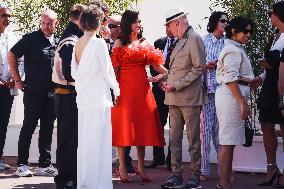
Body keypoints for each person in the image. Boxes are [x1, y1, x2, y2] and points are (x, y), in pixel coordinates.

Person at [152, 7, 207, 189]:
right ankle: (176, 175)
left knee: (192, 140)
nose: (168, 30)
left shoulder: (194, 38)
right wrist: (164, 78)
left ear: (177, 23)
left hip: (189, 98)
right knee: (174, 139)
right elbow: (177, 70)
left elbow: (198, 69)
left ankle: (195, 176)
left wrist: (176, 84)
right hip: (173, 97)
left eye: (169, 26)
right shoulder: (180, 40)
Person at [111, 9, 166, 183]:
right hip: (124, 90)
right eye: (137, 21)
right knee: (124, 128)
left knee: (142, 128)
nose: (140, 24)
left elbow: (158, 66)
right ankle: (122, 168)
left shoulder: (146, 42)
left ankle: (141, 167)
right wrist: (113, 91)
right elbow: (114, 70)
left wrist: (167, 74)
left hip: (143, 90)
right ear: (129, 24)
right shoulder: (119, 42)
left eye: (140, 21)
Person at [71, 5, 120, 189]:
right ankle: (97, 184)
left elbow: (74, 73)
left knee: (85, 143)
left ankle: (86, 182)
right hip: (98, 99)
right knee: (99, 142)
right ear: (98, 21)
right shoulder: (98, 43)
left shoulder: (78, 42)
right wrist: (117, 90)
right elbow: (108, 73)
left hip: (83, 99)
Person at [8, 9, 59, 177]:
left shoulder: (59, 41)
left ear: (55, 24)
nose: (45, 26)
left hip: (52, 93)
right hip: (33, 92)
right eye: (43, 23)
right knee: (29, 126)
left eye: (49, 23)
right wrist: (17, 79)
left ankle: (45, 165)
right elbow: (12, 55)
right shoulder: (30, 39)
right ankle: (22, 164)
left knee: (47, 128)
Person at [215, 16, 254, 189]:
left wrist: (252, 80)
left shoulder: (235, 48)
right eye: (245, 31)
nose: (248, 35)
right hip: (231, 98)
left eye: (250, 32)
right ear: (234, 31)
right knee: (228, 142)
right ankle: (224, 184)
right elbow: (231, 79)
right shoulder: (232, 49)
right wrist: (242, 103)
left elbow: (236, 77)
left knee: (229, 142)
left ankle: (225, 182)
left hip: (233, 96)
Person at [53, 4, 86, 189]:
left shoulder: (74, 36)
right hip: (67, 94)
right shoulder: (71, 39)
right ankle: (65, 179)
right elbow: (68, 72)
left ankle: (71, 175)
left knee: (72, 137)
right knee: (67, 138)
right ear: (80, 18)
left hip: (70, 94)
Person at [254, 1, 284, 187]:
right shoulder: (275, 37)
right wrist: (260, 77)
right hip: (269, 86)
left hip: (281, 87)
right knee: (266, 124)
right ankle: (271, 168)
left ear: (279, 14)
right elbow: (271, 66)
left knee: (283, 126)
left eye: (271, 13)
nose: (270, 17)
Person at [200, 11, 228, 181]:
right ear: (215, 22)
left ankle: (222, 171)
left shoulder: (227, 43)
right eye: (223, 21)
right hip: (206, 91)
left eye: (227, 21)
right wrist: (206, 65)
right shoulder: (203, 40)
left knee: (221, 133)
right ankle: (204, 170)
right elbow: (195, 63)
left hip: (223, 92)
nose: (226, 23)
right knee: (205, 131)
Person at [145, 25, 177, 170]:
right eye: (165, 25)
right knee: (157, 123)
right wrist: (159, 81)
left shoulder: (182, 43)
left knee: (174, 125)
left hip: (176, 90)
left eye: (169, 26)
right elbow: (153, 64)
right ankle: (158, 158)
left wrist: (171, 81)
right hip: (159, 90)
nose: (167, 29)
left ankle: (172, 160)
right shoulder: (159, 42)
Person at [0, 2, 24, 170]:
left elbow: (21, 61)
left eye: (9, 16)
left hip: (7, 88)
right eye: (3, 15)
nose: (7, 19)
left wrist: (15, 78)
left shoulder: (13, 37)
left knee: (2, 124)